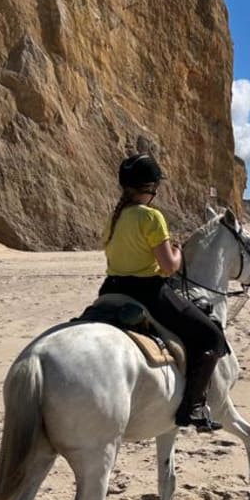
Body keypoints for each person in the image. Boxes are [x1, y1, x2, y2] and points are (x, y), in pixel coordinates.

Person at [97, 152, 226, 432]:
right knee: (211, 337)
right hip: (147, 292)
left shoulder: (114, 218)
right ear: (152, 187)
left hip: (111, 288)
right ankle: (191, 407)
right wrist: (178, 253)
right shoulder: (151, 217)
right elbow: (168, 267)